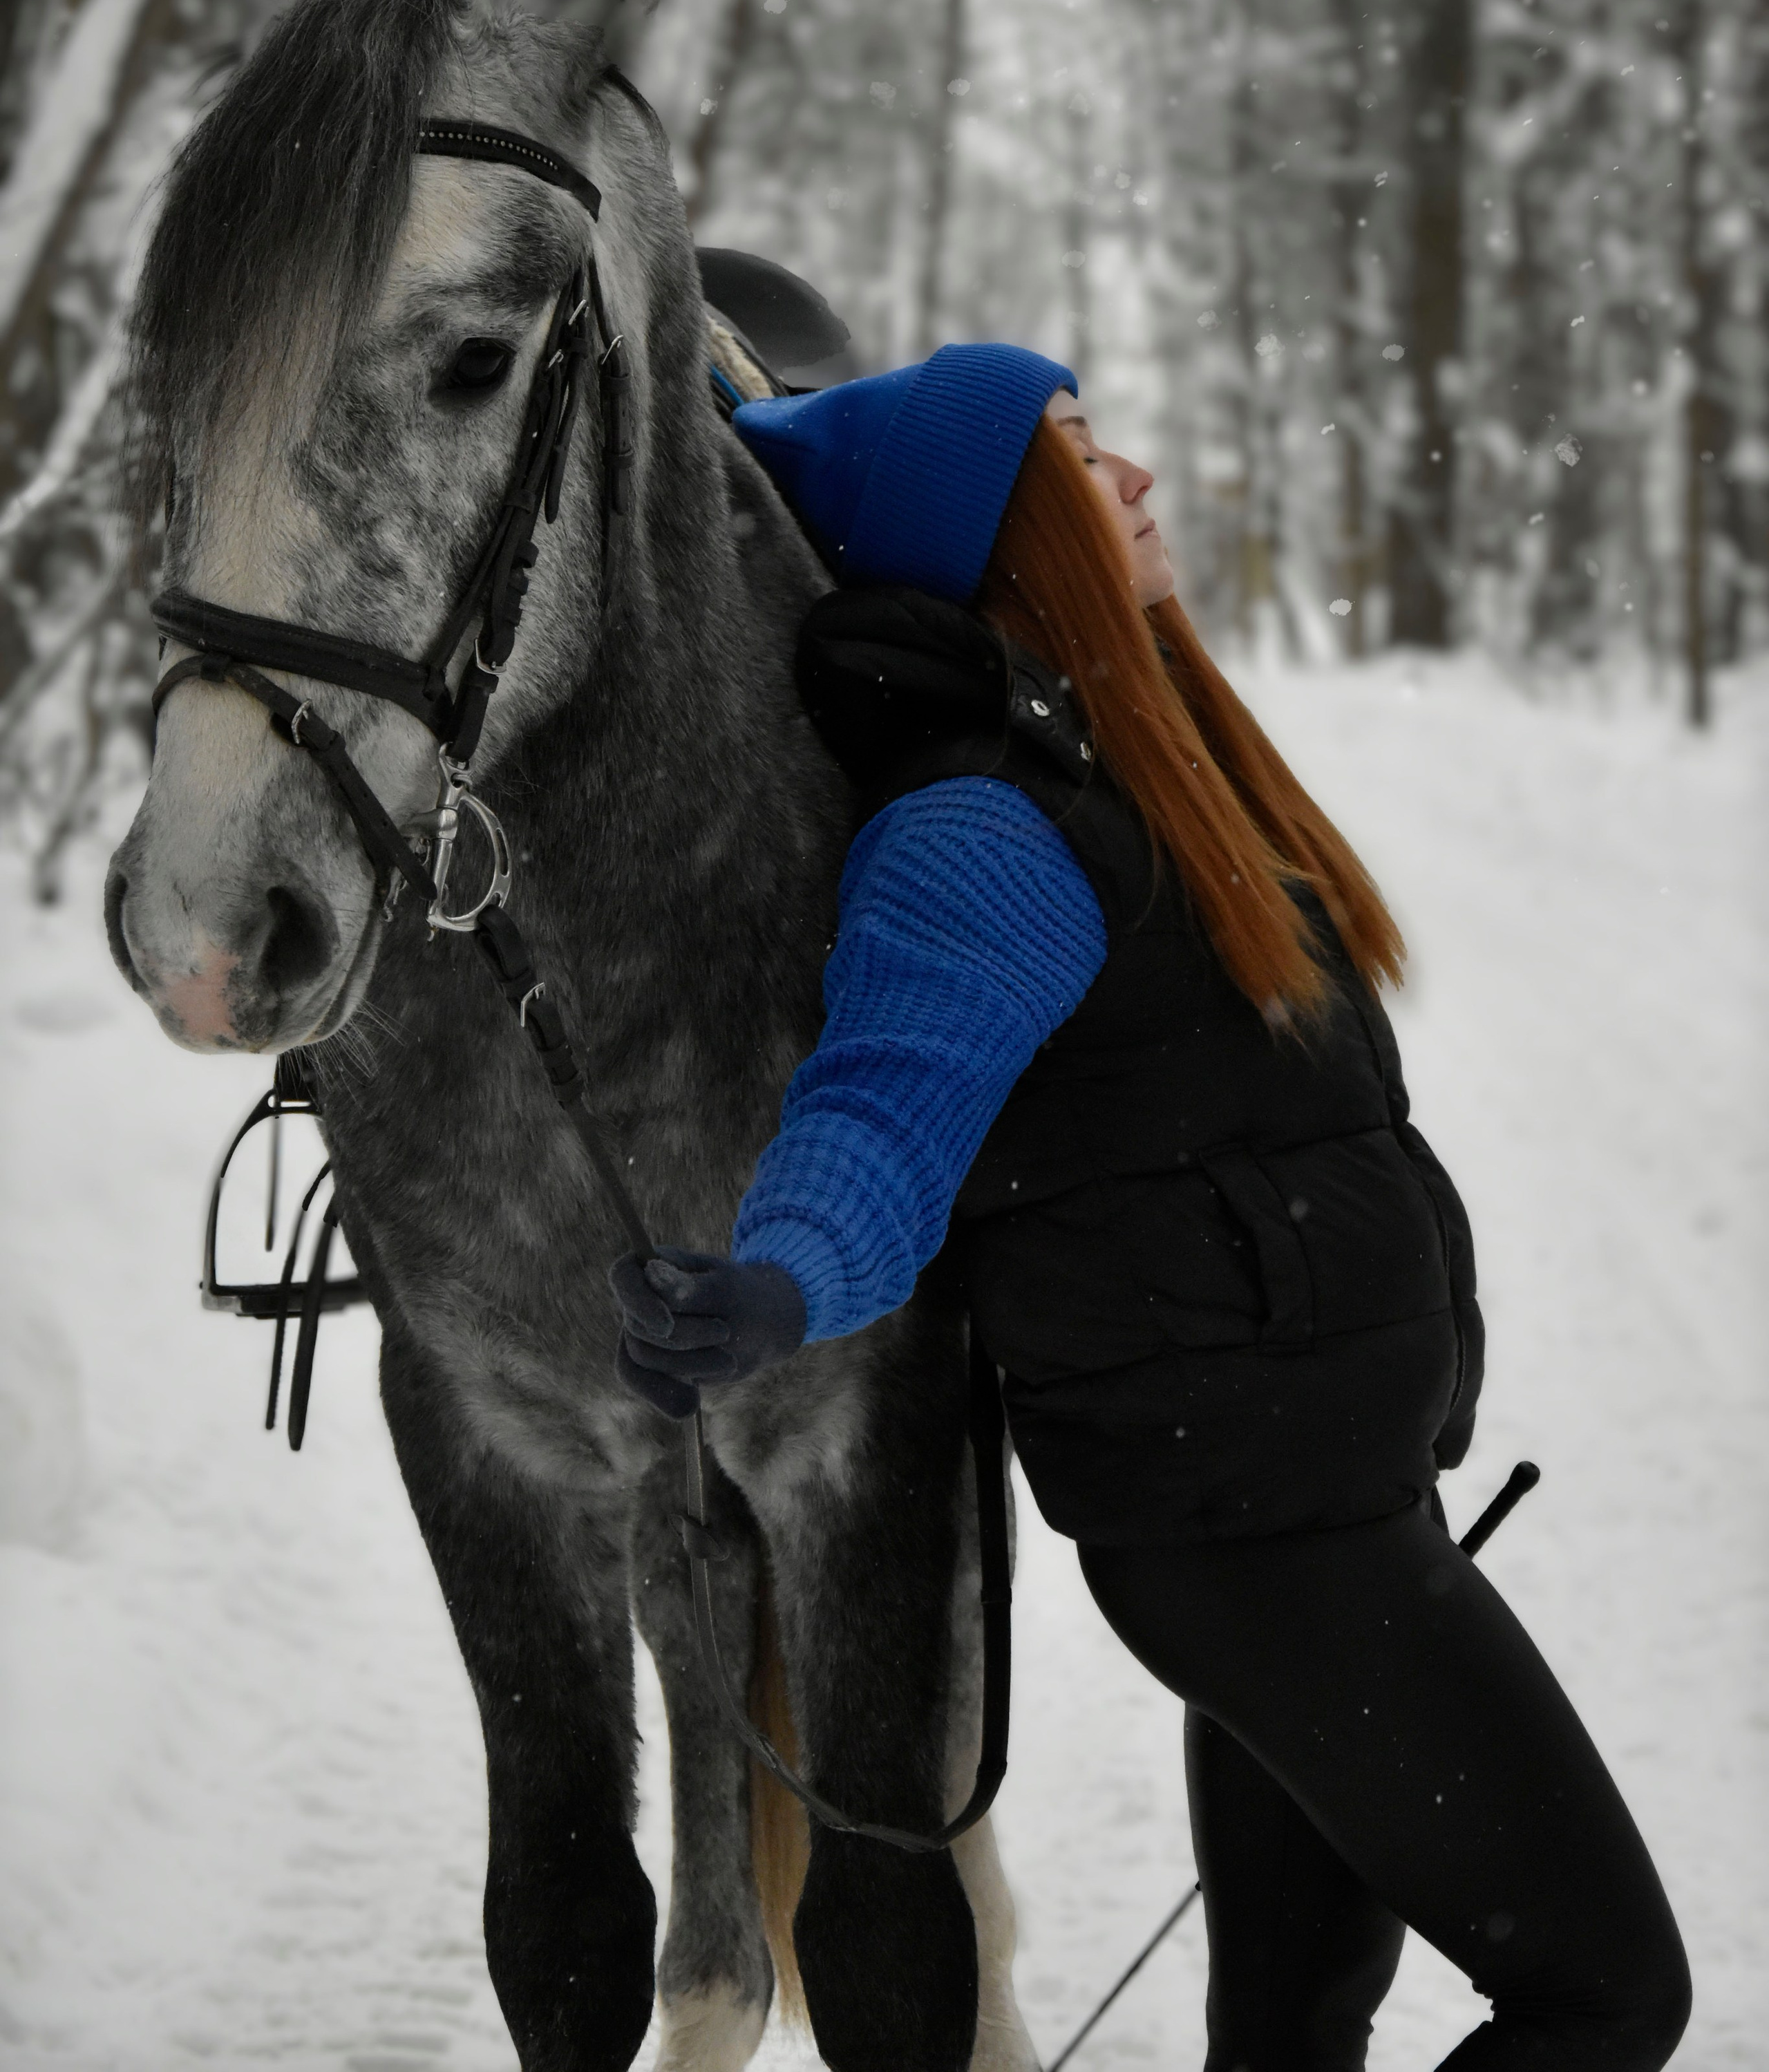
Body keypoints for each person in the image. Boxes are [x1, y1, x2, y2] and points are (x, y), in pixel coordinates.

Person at [611, 341, 1691, 2070]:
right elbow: (888, 1106)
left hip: (1313, 1498)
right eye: (1075, 464)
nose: (1131, 483)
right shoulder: (983, 821)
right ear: (999, 539)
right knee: (1606, 1994)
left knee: (1293, 2019)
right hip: (1259, 1537)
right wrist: (777, 1280)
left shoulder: (1124, 766)